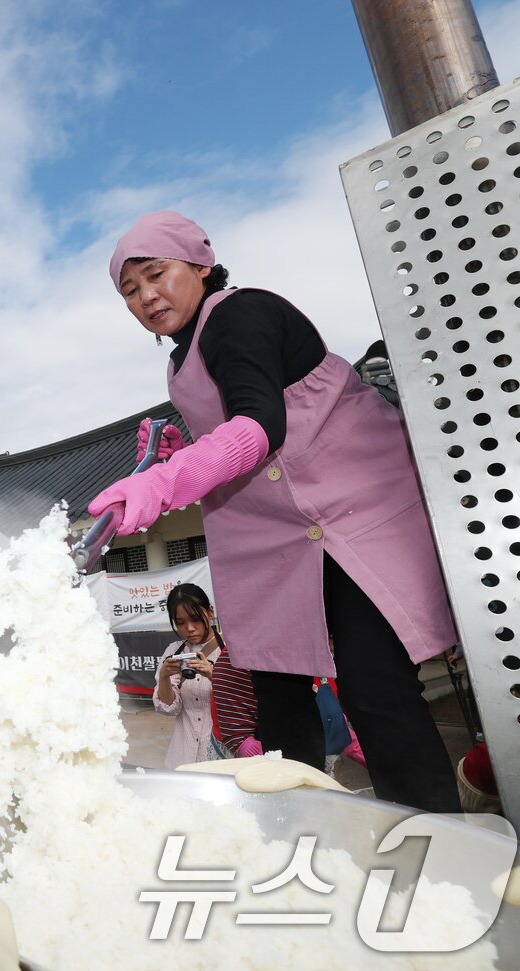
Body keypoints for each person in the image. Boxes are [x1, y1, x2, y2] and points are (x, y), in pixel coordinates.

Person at [89, 211, 459, 812]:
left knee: (376, 688)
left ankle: (435, 845)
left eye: (156, 275)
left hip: (351, 511)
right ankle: (303, 835)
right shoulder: (178, 363)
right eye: (129, 291)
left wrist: (163, 482)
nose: (146, 297)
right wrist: (185, 450)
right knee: (278, 702)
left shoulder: (241, 313)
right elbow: (233, 425)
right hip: (274, 534)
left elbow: (262, 422)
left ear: (201, 265)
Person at [152, 583, 258, 768]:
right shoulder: (173, 652)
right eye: (181, 623)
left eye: (195, 619)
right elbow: (171, 709)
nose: (189, 628)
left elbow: (249, 701)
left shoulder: (232, 649)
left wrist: (214, 674)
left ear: (210, 612)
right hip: (183, 757)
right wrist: (163, 678)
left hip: (224, 757)